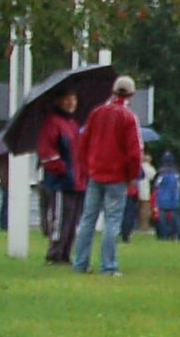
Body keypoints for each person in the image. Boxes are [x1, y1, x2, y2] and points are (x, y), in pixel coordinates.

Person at [72, 75, 144, 274]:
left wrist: (87, 167)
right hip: (117, 176)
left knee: (88, 218)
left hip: (95, 173)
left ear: (112, 91)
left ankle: (80, 262)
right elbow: (134, 152)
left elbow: (83, 141)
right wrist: (132, 176)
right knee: (112, 221)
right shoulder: (128, 117)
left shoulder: (96, 113)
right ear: (131, 94)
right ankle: (108, 265)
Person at [36, 89, 83, 265]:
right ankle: (54, 253)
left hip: (76, 182)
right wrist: (63, 170)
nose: (71, 103)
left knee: (72, 221)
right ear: (58, 101)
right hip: (59, 182)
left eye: (73, 98)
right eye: (67, 99)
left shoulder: (73, 124)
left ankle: (65, 253)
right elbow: (47, 152)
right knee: (59, 219)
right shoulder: (52, 123)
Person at [154, 152, 180, 240]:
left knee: (162, 218)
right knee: (175, 217)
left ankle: (164, 235)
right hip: (174, 197)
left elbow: (157, 185)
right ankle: (179, 235)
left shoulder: (161, 172)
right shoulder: (175, 173)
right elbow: (178, 186)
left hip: (162, 197)